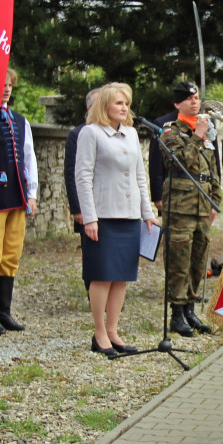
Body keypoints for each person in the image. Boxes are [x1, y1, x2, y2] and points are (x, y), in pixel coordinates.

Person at [75, 83, 160, 359]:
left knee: (122, 277)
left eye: (127, 103)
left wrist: (147, 213)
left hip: (129, 216)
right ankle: (99, 333)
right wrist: (90, 217)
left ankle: (113, 331)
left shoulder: (132, 134)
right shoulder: (91, 133)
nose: (124, 108)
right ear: (105, 106)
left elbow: (140, 176)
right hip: (103, 216)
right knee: (101, 275)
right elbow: (83, 177)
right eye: (118, 103)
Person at [0, 68, 38, 335]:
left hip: (17, 195)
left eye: (9, 84)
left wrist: (32, 192)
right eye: (1, 84)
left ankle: (5, 312)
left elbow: (29, 157)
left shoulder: (20, 121)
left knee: (11, 254)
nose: (6, 89)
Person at [160, 82, 222, 337]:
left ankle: (190, 310)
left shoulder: (206, 131)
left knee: (198, 259)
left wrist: (216, 197)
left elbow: (212, 167)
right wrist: (197, 135)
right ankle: (176, 313)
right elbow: (179, 161)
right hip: (180, 207)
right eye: (188, 99)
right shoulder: (170, 132)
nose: (195, 102)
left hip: (202, 205)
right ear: (177, 104)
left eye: (197, 98)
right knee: (179, 260)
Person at [63, 89, 98, 236]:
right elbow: (71, 173)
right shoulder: (76, 134)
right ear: (89, 109)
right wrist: (77, 209)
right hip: (87, 203)